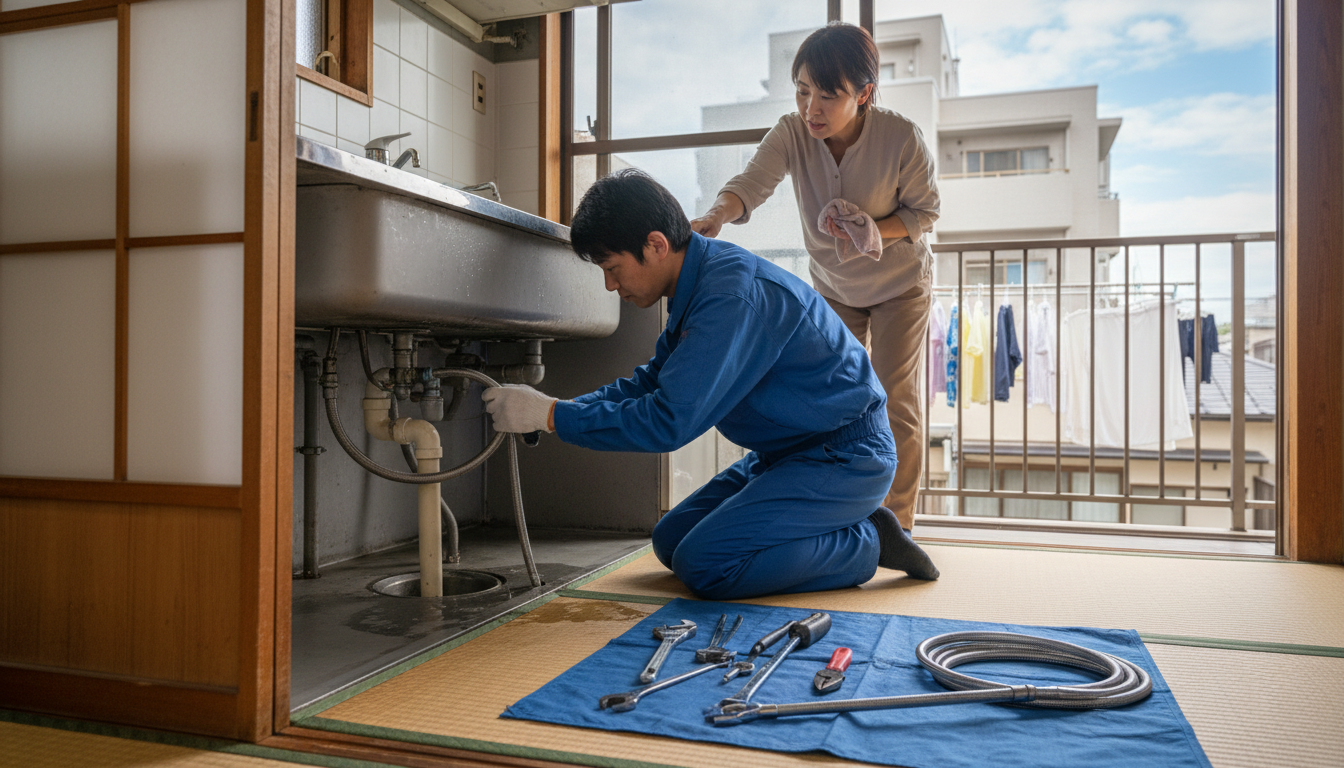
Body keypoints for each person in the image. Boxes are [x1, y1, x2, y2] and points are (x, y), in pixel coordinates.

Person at [482, 169, 938, 601]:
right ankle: (832, 526)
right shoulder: (697, 286)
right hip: (790, 455)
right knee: (670, 540)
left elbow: (669, 420)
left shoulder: (729, 296)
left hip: (845, 457)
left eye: (613, 268)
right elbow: (650, 383)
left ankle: (864, 541)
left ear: (656, 245)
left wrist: (551, 416)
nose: (608, 285)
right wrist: (557, 406)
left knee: (706, 564)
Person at [691, 22, 940, 546]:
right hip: (835, 286)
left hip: (900, 284)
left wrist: (879, 229)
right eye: (804, 91)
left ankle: (898, 524)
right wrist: (716, 215)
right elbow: (751, 184)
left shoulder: (901, 137)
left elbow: (926, 210)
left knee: (894, 398)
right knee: (835, 402)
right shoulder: (791, 132)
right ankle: (842, 508)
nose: (813, 109)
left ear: (864, 94)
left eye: (829, 95)